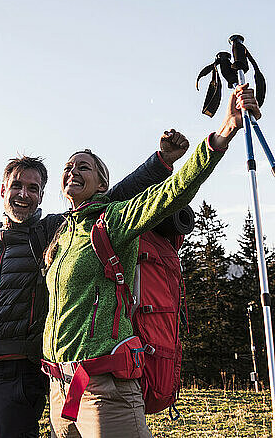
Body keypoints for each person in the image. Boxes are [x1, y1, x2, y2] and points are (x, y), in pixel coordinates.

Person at [0, 139, 188, 438]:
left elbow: (113, 195)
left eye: (33, 188)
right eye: (17, 186)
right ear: (3, 191)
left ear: (41, 197)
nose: (24, 194)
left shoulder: (53, 231)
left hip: (17, 374)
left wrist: (160, 162)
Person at [41, 84, 260, 438]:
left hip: (105, 390)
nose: (72, 172)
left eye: (83, 167)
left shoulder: (112, 219)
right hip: (60, 390)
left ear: (102, 184)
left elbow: (171, 194)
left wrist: (224, 133)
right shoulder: (63, 234)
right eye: (68, 167)